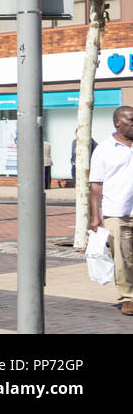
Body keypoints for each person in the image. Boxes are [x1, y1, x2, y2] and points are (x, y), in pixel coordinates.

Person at [88, 106, 133, 316]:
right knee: (123, 258)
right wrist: (96, 217)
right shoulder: (104, 149)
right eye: (131, 120)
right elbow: (96, 186)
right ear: (118, 122)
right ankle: (128, 298)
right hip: (117, 211)